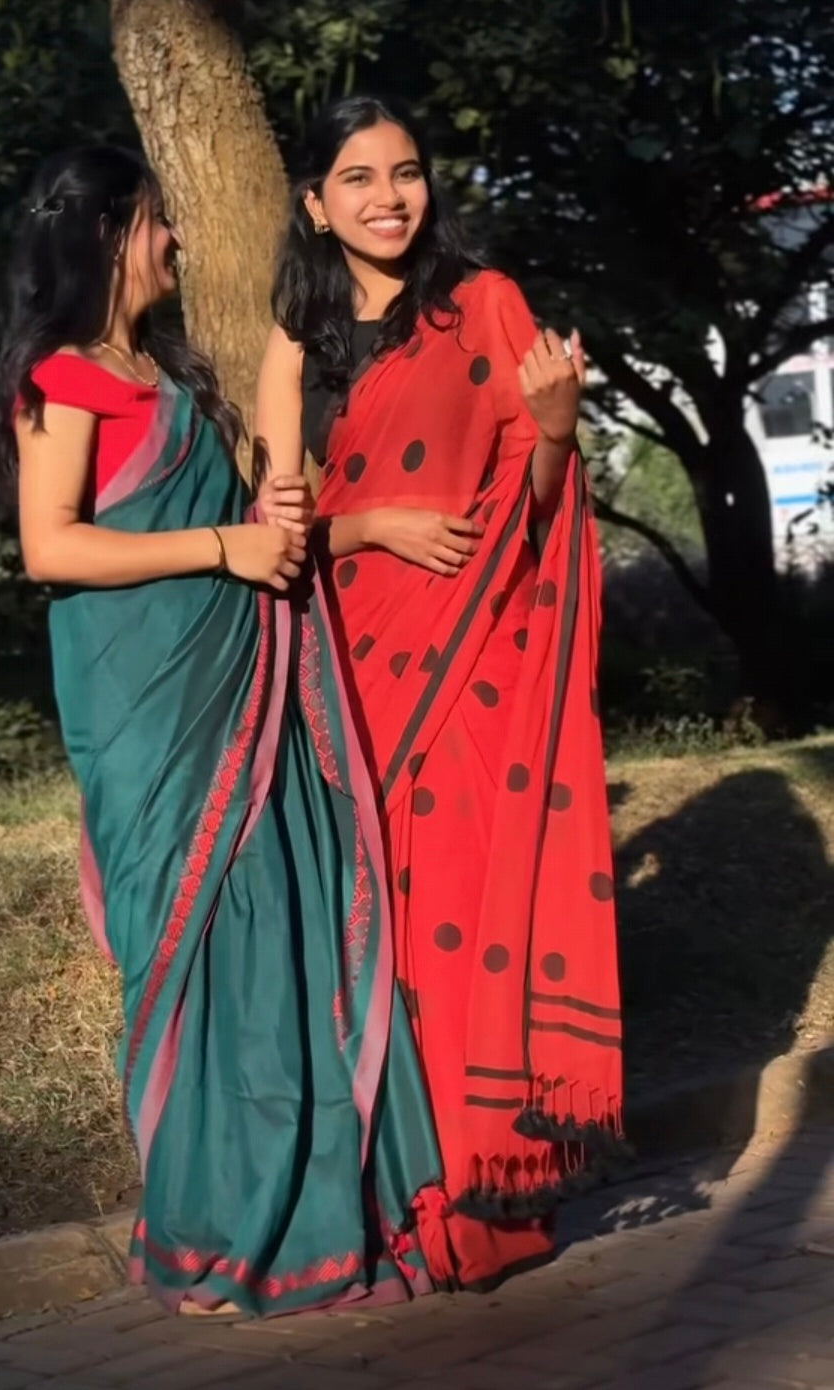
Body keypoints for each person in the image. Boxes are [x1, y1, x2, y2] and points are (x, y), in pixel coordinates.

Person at [0, 145, 445, 1319]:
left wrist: (274, 521)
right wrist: (220, 546)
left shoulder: (166, 369)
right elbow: (53, 547)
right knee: (194, 953)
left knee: (270, 945)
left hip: (239, 674)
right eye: (156, 226)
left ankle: (300, 1216)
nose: (175, 245)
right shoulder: (64, 379)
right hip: (147, 701)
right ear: (104, 238)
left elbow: (233, 531)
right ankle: (212, 1230)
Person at [254, 97, 626, 1293]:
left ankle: (480, 1192)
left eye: (405, 172)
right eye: (356, 178)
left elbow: (532, 498)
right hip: (351, 680)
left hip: (469, 675)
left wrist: (561, 434)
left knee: (459, 910)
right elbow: (281, 529)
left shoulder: (487, 307)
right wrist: (373, 522)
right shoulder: (295, 345)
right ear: (315, 202)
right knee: (379, 937)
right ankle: (391, 1193)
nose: (387, 197)